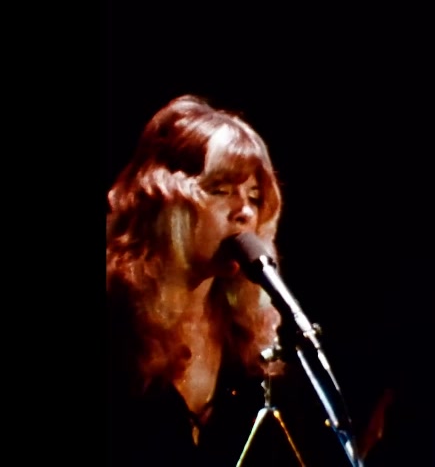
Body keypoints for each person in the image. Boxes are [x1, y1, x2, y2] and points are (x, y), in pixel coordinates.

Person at [106, 95, 349, 467]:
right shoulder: (117, 320)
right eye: (220, 191)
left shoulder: (247, 341)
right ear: (164, 201)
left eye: (254, 196)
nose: (244, 211)